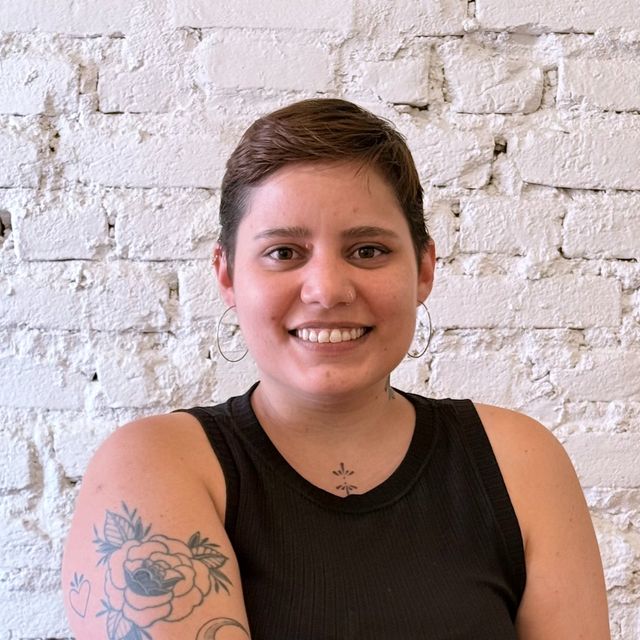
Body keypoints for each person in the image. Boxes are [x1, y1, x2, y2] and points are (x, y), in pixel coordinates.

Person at [62, 98, 611, 640]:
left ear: (423, 269)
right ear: (227, 275)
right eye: (284, 252)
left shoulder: (520, 464)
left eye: (368, 250)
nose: (327, 290)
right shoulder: (155, 464)